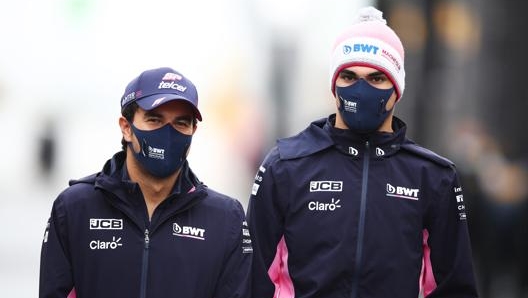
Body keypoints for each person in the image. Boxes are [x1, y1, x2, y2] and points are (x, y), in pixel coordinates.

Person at [247, 6, 478, 298]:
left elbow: (454, 288)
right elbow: (252, 280)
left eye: (376, 78)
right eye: (348, 76)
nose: (360, 89)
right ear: (334, 85)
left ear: (397, 88)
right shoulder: (285, 166)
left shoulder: (433, 178)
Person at [39, 67, 253, 298]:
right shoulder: (75, 208)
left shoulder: (224, 219)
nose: (168, 134)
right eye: (154, 120)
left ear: (193, 130)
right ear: (126, 127)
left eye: (181, 123)